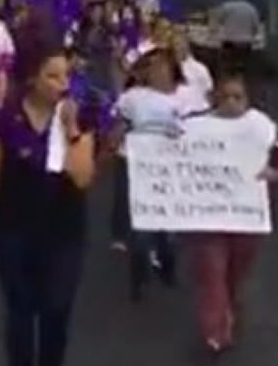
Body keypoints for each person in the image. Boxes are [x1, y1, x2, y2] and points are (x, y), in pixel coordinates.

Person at [0, 37, 96, 366]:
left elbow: (83, 176)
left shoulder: (80, 115)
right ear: (32, 77)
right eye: (53, 76)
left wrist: (71, 129)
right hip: (14, 227)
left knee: (56, 310)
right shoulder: (5, 117)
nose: (63, 84)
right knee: (19, 308)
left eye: (66, 77)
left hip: (64, 230)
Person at [187, 72, 278, 354]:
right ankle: (215, 331)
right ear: (215, 98)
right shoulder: (196, 128)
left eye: (237, 97)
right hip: (209, 218)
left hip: (247, 218)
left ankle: (230, 310)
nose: (231, 103)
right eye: (225, 96)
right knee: (213, 272)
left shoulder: (263, 127)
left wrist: (273, 173)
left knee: (234, 276)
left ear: (248, 100)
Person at [112, 40, 209, 301]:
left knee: (167, 228)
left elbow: (200, 128)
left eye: (162, 66)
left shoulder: (188, 96)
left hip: (172, 167)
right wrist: (116, 139)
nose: (157, 72)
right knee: (140, 227)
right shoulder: (131, 98)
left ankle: (167, 264)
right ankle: (138, 276)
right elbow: (117, 128)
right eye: (151, 67)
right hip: (137, 164)